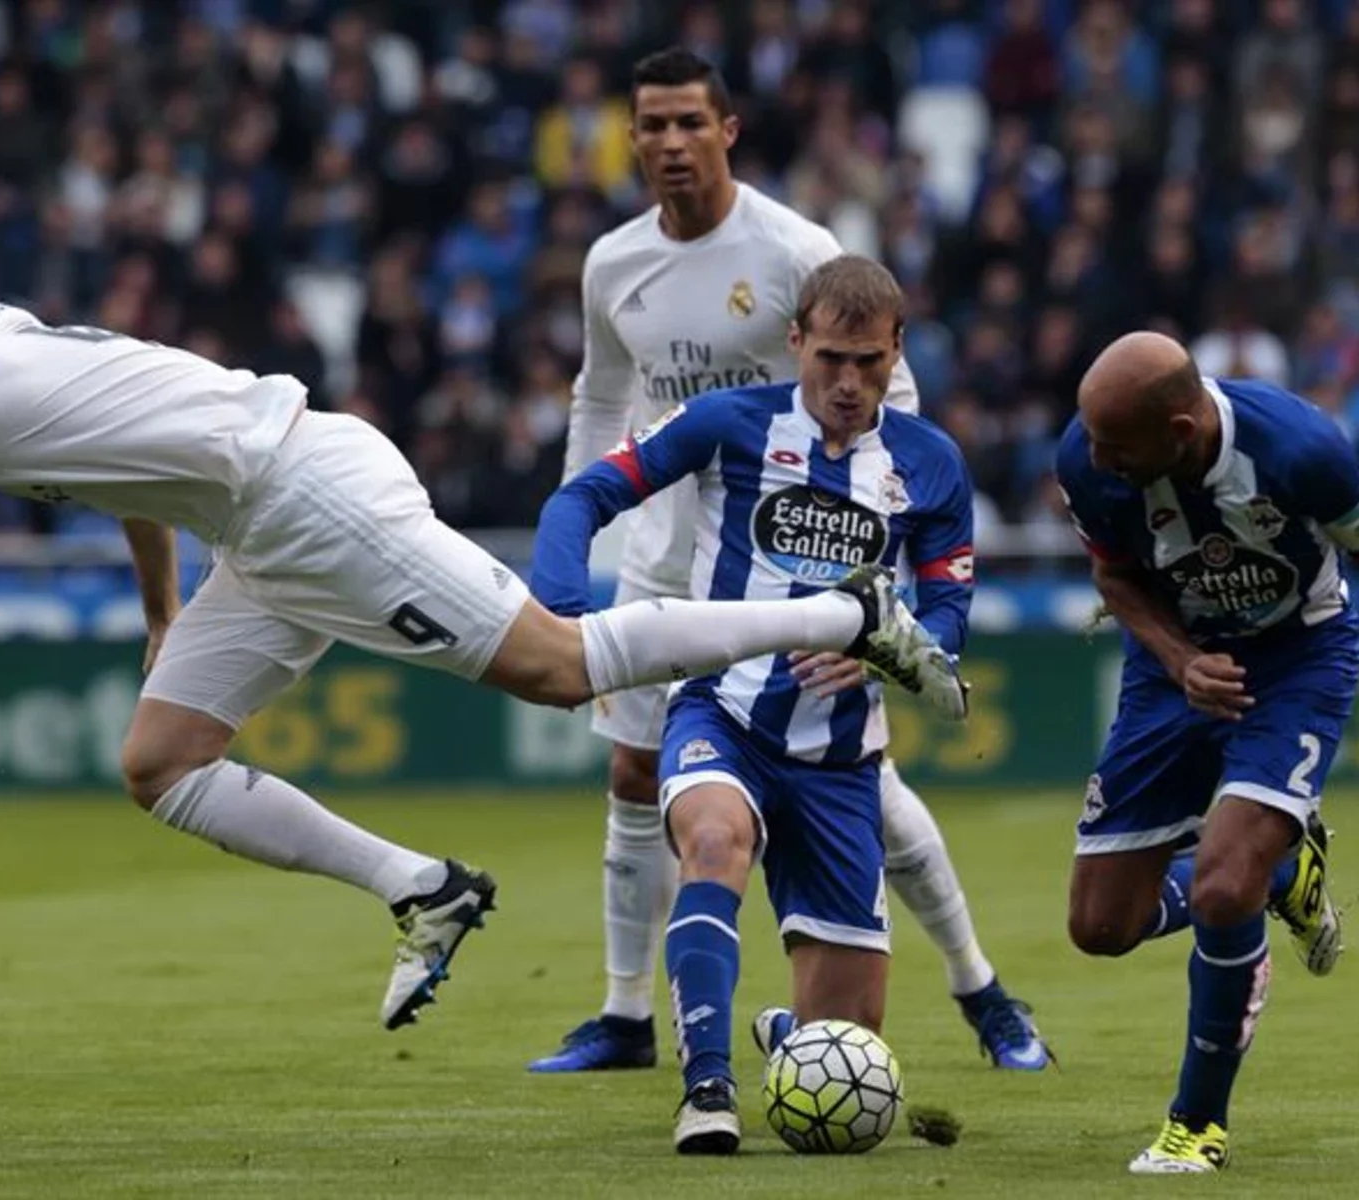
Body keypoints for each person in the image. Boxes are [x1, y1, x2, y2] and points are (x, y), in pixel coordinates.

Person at [0, 304, 965, 1033]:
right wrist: (161, 612)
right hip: (257, 524)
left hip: (305, 497)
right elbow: (104, 461)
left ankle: (837, 612)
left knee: (556, 669)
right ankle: (423, 887)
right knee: (160, 760)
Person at [531, 46, 1049, 1076]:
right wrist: (585, 525)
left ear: (726, 130)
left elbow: (883, 401)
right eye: (653, 124)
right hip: (663, 563)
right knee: (636, 773)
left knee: (870, 785)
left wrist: (869, 571)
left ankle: (978, 985)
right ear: (629, 138)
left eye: (690, 121)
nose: (671, 142)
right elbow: (600, 398)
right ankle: (627, 1014)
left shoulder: (791, 249)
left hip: (794, 563)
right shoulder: (612, 263)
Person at [532, 255, 975, 1153]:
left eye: (869, 363)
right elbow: (585, 495)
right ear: (795, 342)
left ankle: (780, 1031)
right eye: (830, 360)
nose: (848, 384)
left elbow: (949, 608)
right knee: (712, 842)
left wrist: (895, 659)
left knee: (847, 1058)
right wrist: (563, 607)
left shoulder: (931, 464)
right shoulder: (730, 422)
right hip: (722, 717)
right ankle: (706, 1089)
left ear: (898, 352)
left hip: (842, 762)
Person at [1056, 331, 1347, 1174]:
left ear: (1181, 433)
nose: (1094, 457)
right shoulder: (1087, 457)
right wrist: (1181, 661)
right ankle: (1286, 875)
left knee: (1222, 887)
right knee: (1099, 927)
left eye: (1116, 446)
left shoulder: (1305, 452)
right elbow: (1115, 578)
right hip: (1173, 665)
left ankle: (1197, 1126)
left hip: (1297, 662)